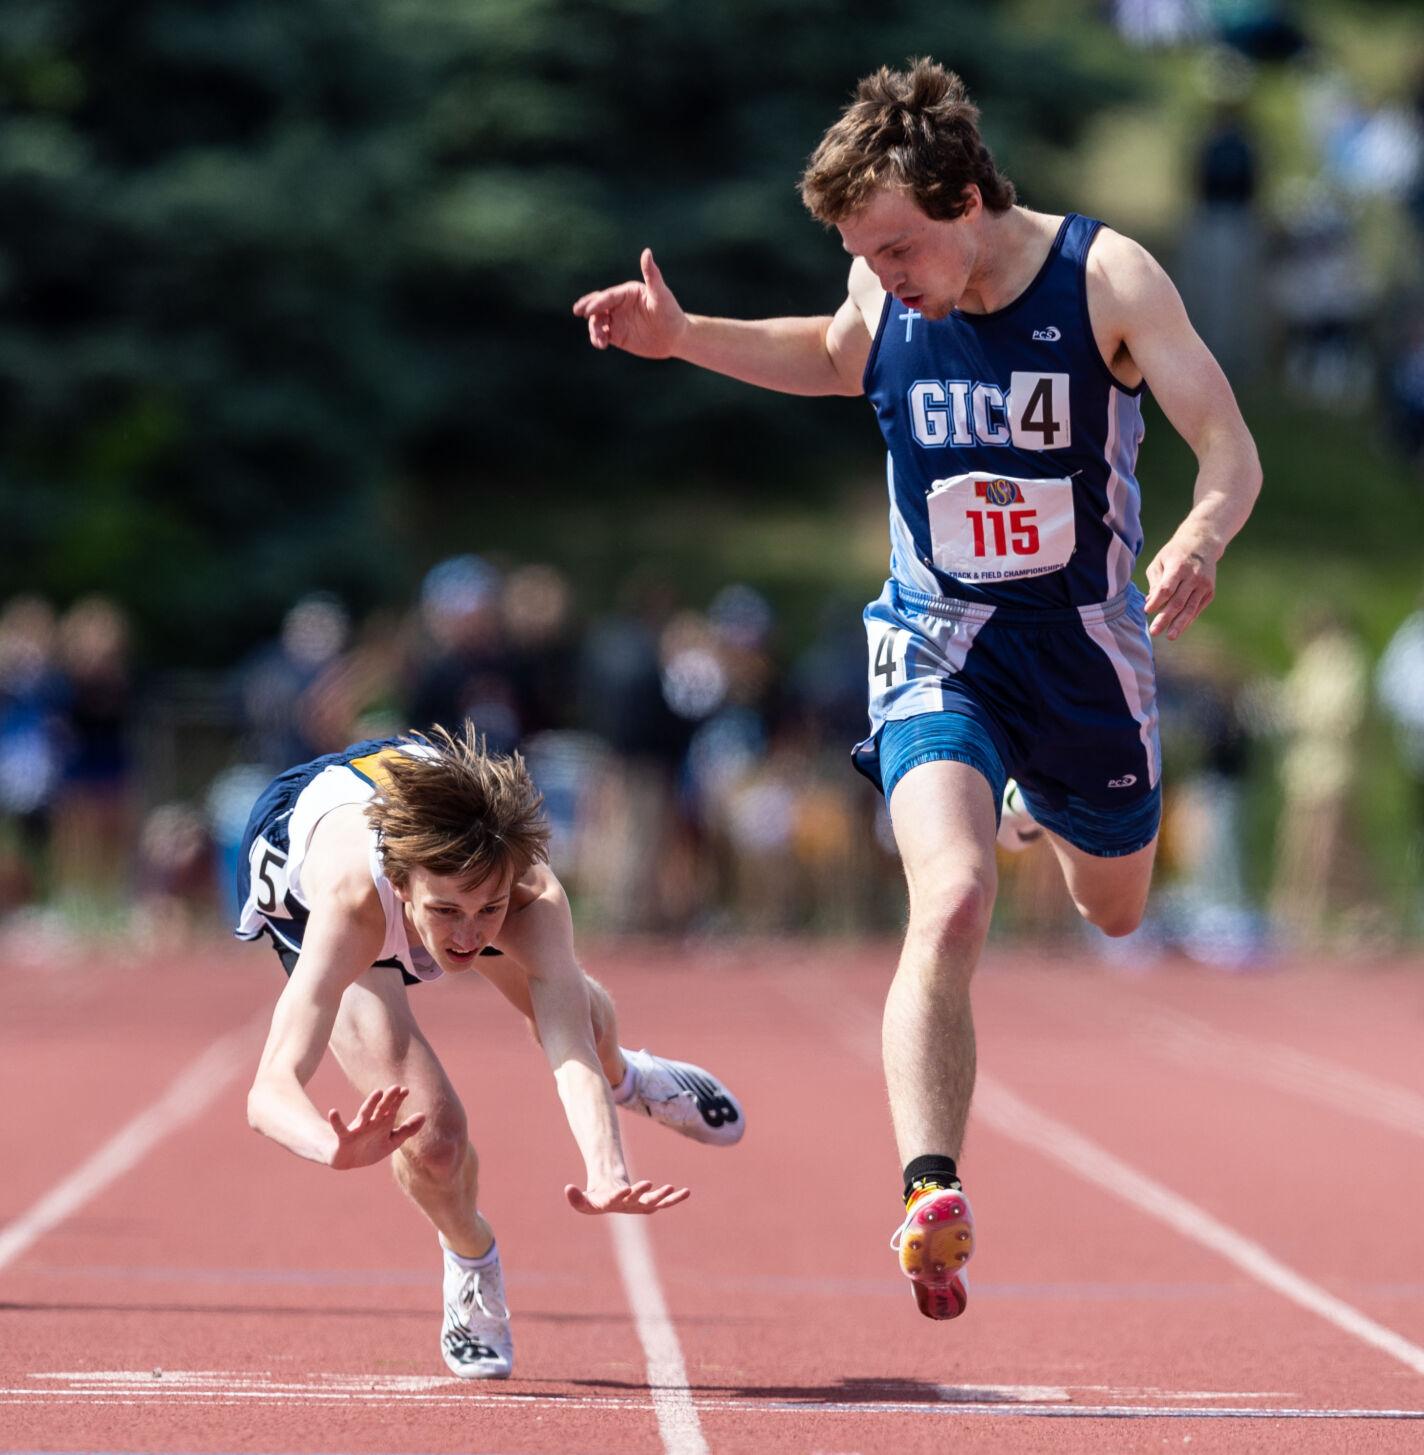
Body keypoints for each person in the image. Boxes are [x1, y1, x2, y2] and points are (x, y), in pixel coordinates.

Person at [573, 59, 1261, 1322]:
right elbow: (838, 355)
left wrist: (1200, 539)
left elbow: (1227, 446)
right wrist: (683, 339)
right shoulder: (878, 285)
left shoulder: (1102, 279)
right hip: (936, 640)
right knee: (945, 894)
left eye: (895, 247)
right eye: (861, 253)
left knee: (1110, 908)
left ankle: (1042, 808)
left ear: (961, 198)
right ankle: (927, 1186)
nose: (883, 275)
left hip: (1082, 652)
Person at [235, 721, 744, 1378]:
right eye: (446, 911)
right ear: (404, 883)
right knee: (434, 1141)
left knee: (579, 1018)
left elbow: (567, 1047)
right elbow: (269, 1088)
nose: (470, 935)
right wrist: (330, 1146)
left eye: (489, 908)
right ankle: (470, 1255)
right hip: (306, 850)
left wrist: (607, 1167)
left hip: (417, 795)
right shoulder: (352, 902)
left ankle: (634, 1077)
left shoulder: (532, 897)